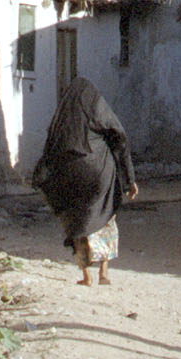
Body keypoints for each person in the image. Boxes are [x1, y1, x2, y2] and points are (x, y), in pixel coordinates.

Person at [31, 77, 137, 285]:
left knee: (77, 220)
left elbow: (50, 149)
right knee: (105, 217)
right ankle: (104, 272)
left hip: (71, 174)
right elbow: (120, 138)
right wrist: (128, 179)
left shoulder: (62, 117)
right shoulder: (97, 106)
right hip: (99, 172)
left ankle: (86, 275)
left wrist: (43, 177)